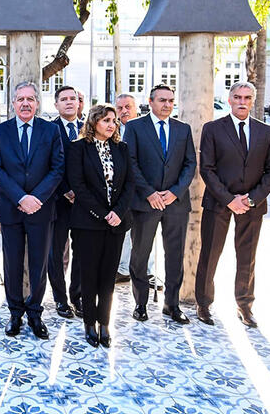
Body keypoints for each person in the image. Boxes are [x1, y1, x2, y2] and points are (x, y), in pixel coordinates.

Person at [195, 81, 270, 327]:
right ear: (229, 100)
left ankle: (245, 305)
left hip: (252, 205)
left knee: (247, 257)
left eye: (247, 98)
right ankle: (204, 303)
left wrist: (251, 198)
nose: (242, 102)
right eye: (238, 97)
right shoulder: (212, 129)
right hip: (219, 202)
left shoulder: (266, 132)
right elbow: (207, 169)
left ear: (252, 101)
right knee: (210, 254)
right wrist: (230, 199)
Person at [0, 81, 64, 340]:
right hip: (11, 209)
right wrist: (21, 197)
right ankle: (15, 313)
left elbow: (57, 168)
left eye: (30, 99)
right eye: (20, 99)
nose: (25, 103)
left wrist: (36, 198)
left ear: (37, 103)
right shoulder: (0, 132)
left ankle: (34, 312)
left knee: (38, 264)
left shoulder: (50, 131)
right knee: (11, 264)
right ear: (13, 103)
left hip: (41, 210)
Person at [124, 84, 196, 325]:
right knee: (140, 254)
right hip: (145, 204)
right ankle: (140, 303)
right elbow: (130, 162)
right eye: (162, 100)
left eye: (170, 100)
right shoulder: (135, 128)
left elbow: (190, 165)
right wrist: (149, 193)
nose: (167, 104)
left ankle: (172, 305)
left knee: (174, 255)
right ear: (151, 101)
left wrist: (175, 193)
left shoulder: (183, 129)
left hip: (176, 204)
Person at [66, 103, 133, 348]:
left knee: (108, 278)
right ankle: (89, 324)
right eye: (106, 120)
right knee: (89, 275)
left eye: (113, 121)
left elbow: (129, 185)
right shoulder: (78, 148)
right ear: (94, 122)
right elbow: (78, 185)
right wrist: (102, 213)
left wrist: (117, 213)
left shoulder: (122, 148)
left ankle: (105, 323)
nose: (111, 125)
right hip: (87, 223)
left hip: (116, 224)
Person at [48, 85, 83, 319]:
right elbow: (48, 164)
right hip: (58, 201)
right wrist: (65, 191)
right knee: (56, 252)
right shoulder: (49, 130)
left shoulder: (89, 128)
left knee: (82, 252)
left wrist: (80, 193)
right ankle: (60, 299)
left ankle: (78, 297)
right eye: (64, 99)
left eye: (73, 98)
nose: (69, 102)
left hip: (84, 203)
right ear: (56, 104)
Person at [114, 93, 138, 284]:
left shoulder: (142, 129)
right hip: (120, 191)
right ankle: (122, 268)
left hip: (142, 189)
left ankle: (147, 271)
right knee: (124, 231)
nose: (124, 111)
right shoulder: (113, 130)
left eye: (128, 107)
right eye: (120, 108)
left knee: (144, 231)